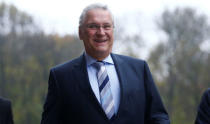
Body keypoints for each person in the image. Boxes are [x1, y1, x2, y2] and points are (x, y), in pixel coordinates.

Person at [41, 3, 170, 124]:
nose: (101, 32)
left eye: (106, 26)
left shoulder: (139, 69)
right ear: (80, 32)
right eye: (93, 26)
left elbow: (158, 117)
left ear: (112, 31)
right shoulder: (61, 77)